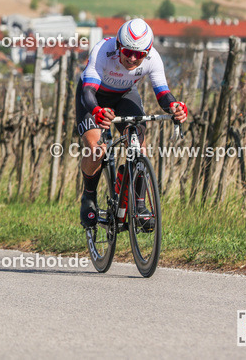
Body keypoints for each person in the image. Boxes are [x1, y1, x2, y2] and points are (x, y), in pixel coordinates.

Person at [76, 18, 188, 227]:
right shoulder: (102, 51)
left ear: (148, 51)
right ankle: (88, 197)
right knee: (96, 149)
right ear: (119, 45)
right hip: (94, 97)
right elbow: (88, 91)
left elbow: (163, 94)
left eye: (140, 54)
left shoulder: (153, 58)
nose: (134, 58)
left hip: (124, 95)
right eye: (128, 52)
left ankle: (140, 204)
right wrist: (96, 111)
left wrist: (175, 108)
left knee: (139, 148)